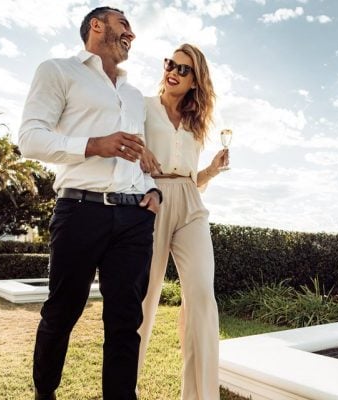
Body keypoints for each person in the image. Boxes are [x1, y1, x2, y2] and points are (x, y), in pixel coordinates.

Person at [18, 6, 162, 400]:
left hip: (134, 216)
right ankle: (44, 393)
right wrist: (93, 145)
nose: (131, 33)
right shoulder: (58, 70)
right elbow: (29, 138)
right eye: (125, 24)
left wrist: (153, 192)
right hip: (80, 210)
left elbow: (139, 155)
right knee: (62, 312)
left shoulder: (133, 96)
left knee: (125, 321)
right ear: (97, 26)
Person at [138, 44, 227, 400]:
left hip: (191, 203)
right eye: (170, 63)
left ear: (195, 81)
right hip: (151, 198)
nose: (173, 71)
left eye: (184, 69)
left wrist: (212, 170)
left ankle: (200, 396)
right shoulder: (142, 107)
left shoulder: (195, 122)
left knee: (202, 296)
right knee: (143, 297)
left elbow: (191, 177)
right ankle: (124, 388)